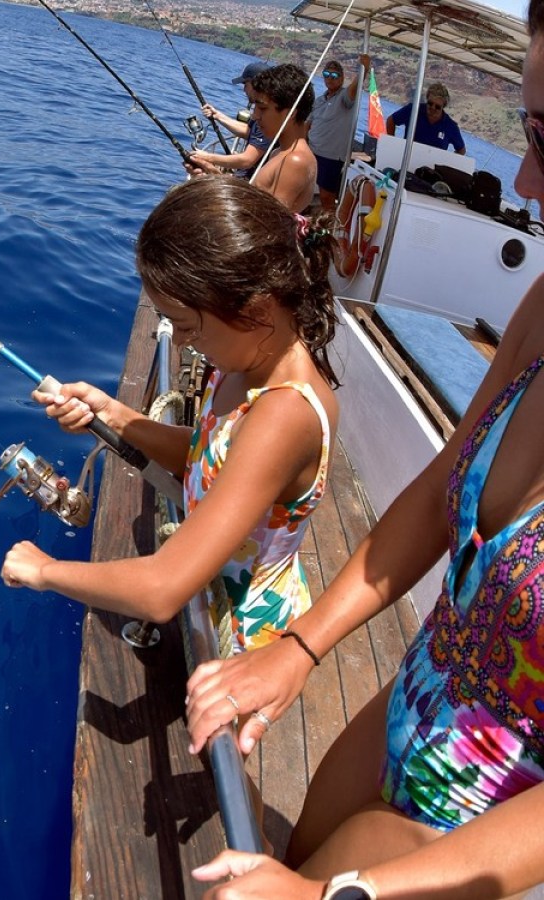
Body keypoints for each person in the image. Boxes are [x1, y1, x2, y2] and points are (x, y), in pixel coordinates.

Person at [184, 5, 544, 895]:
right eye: (529, 133)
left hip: (472, 840)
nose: (527, 181)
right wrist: (299, 648)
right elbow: (435, 493)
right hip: (412, 698)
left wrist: (344, 895)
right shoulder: (540, 315)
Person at [0, 176, 340, 658]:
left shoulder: (285, 414)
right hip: (208, 594)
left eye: (186, 326)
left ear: (256, 309)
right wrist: (113, 413)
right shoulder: (249, 361)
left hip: (240, 644)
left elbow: (162, 588)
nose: (180, 343)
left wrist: (43, 570)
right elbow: (208, 453)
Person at [189, 64, 318, 213]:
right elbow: (254, 204)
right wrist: (214, 175)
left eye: (262, 108)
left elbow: (267, 223)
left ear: (290, 113)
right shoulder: (279, 153)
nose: (255, 116)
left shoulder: (294, 161)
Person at [308, 55, 371, 213]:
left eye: (335, 75)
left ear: (342, 78)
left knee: (326, 197)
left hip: (330, 157)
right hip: (311, 151)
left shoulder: (345, 98)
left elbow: (354, 88)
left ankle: (331, 229)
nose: (330, 79)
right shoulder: (319, 100)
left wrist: (364, 70)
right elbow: (307, 125)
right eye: (326, 75)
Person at [190, 61, 273, 178]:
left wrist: (207, 157)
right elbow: (248, 131)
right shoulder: (260, 112)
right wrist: (217, 115)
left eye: (245, 84)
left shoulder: (268, 118)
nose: (244, 89)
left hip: (247, 181)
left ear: (256, 84)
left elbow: (247, 160)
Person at [385, 82, 467, 154]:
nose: (433, 108)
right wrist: (392, 146)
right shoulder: (413, 110)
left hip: (431, 169)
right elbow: (391, 121)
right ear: (427, 99)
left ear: (443, 107)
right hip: (406, 161)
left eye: (437, 107)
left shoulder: (450, 126)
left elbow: (461, 150)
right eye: (430, 103)